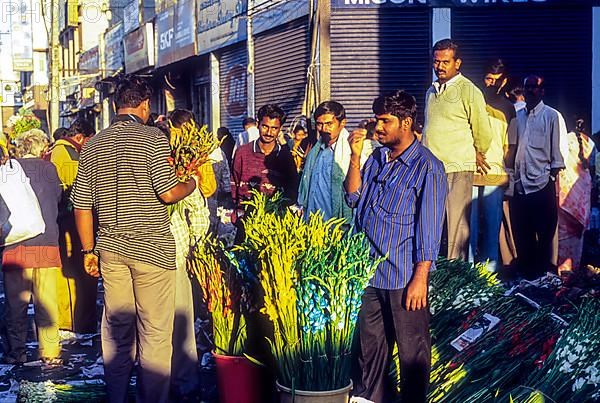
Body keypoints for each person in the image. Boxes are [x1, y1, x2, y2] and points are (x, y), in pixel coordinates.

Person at [71, 75, 197, 403]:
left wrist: (88, 251)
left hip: (110, 251)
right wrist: (191, 184)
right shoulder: (153, 138)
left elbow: (81, 204)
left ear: (116, 106)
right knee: (154, 333)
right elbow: (168, 192)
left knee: (116, 329)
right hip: (152, 250)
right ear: (144, 106)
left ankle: (116, 397)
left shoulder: (94, 144)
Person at [345, 90, 447, 403]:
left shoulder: (427, 167)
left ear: (406, 123)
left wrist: (421, 278)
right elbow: (353, 198)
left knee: (412, 353)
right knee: (370, 350)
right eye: (377, 120)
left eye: (385, 121)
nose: (378, 127)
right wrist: (354, 156)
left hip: (403, 277)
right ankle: (368, 399)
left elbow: (429, 229)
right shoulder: (377, 158)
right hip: (369, 273)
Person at [422, 39, 493, 260]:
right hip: (432, 169)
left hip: (457, 168)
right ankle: (435, 276)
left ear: (457, 63)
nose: (440, 66)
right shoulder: (431, 91)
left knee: (456, 228)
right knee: (431, 226)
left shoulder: (469, 90)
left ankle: (456, 278)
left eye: (445, 62)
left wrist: (479, 151)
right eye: (436, 61)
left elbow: (483, 130)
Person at [1, 129, 62, 367]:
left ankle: (17, 351)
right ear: (41, 148)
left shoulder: (8, 171)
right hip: (46, 243)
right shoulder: (49, 169)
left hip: (16, 245)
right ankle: (50, 351)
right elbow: (58, 198)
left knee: (16, 304)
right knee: (46, 302)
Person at [165, 109, 215, 398]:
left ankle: (157, 381)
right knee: (180, 322)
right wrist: (194, 243)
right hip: (174, 255)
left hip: (140, 256)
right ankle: (182, 382)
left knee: (152, 324)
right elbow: (198, 214)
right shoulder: (183, 174)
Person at [511, 74, 566, 280]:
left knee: (544, 235)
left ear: (542, 91)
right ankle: (526, 278)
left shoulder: (552, 116)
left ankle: (543, 277)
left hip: (542, 184)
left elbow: (557, 158)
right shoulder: (518, 116)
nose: (530, 91)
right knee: (523, 234)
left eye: (535, 87)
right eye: (527, 87)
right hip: (520, 185)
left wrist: (549, 179)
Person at [48, 118, 98, 333]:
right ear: (80, 137)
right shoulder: (72, 157)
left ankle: (65, 319)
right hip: (73, 223)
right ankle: (80, 321)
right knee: (80, 274)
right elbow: (81, 197)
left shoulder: (53, 151)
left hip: (56, 222)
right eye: (89, 140)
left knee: (64, 273)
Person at [469, 59, 517, 273]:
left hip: (495, 173)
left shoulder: (509, 109)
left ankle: (489, 277)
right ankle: (466, 275)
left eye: (496, 80)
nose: (491, 84)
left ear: (504, 81)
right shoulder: (472, 101)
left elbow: (511, 145)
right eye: (488, 79)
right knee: (467, 229)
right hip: (469, 171)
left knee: (491, 228)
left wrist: (508, 170)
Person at [299, 101, 373, 223]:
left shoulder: (353, 152)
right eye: (319, 124)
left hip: (338, 227)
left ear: (343, 123)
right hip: (312, 226)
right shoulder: (316, 152)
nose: (324, 129)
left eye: (329, 124)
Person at [231, 104, 298, 212]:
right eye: (265, 126)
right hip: (246, 218)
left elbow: (293, 188)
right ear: (258, 125)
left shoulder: (285, 156)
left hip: (274, 220)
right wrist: (240, 213)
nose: (269, 133)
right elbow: (234, 184)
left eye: (274, 128)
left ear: (280, 129)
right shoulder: (242, 153)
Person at [557, 118, 595, 273]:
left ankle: (562, 271)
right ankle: (574, 269)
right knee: (577, 235)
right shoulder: (591, 143)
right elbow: (590, 165)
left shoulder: (566, 140)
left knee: (563, 233)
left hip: (566, 185)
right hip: (583, 186)